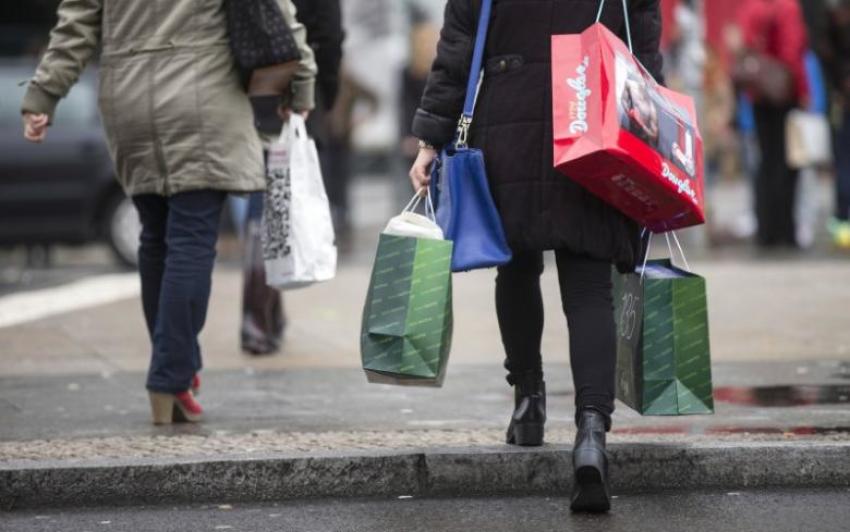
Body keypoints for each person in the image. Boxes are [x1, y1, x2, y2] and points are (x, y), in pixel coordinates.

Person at [409, 0, 663, 513]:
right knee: (590, 287)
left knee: (517, 267)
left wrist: (430, 138)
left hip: (510, 122)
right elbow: (645, 51)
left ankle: (528, 404)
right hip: (593, 120)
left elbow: (458, 46)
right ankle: (591, 432)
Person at [21, 0, 315, 424]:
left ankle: (177, 368)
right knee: (191, 239)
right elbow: (277, 13)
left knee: (155, 237)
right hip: (204, 96)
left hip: (127, 104)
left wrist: (44, 95)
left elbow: (76, 23)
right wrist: (299, 84)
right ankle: (171, 375)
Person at [736, 0, 810, 248]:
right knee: (787, 164)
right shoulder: (788, 7)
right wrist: (802, 91)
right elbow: (792, 53)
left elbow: (744, 44)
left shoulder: (751, 6)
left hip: (759, 93)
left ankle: (765, 231)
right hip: (784, 93)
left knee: (765, 161)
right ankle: (784, 231)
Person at [820, 0, 850, 248]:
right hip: (841, 104)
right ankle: (842, 220)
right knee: (842, 163)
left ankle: (842, 219)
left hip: (840, 101)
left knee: (843, 163)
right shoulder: (832, 33)